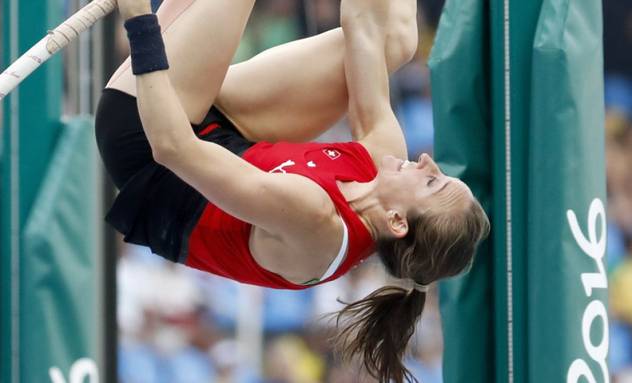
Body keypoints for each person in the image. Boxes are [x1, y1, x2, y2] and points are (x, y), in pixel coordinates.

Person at [95, 0, 491, 382]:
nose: (427, 161)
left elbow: (173, 148)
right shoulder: (380, 163)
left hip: (149, 144)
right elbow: (364, 27)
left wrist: (139, 23)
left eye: (432, 181)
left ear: (397, 221)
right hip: (223, 133)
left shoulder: (316, 219)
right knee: (395, 39)